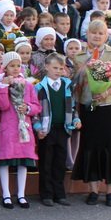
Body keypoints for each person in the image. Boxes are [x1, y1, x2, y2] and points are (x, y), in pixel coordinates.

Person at [72, 20, 111, 206]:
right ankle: (93, 190)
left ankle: (110, 191)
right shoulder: (80, 57)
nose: (97, 36)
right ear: (87, 34)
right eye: (93, 33)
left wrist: (107, 91)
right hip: (90, 106)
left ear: (106, 35)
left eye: (101, 33)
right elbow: (75, 84)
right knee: (91, 145)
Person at [0, 51, 40, 209]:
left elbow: (36, 106)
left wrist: (27, 108)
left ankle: (21, 194)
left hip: (23, 128)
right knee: (5, 161)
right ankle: (6, 194)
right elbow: (3, 105)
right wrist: (4, 86)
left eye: (18, 65)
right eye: (11, 65)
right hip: (8, 127)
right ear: (5, 68)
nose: (15, 68)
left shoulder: (27, 84)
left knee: (23, 163)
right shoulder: (0, 84)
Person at [34, 53, 79, 206]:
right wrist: (38, 127)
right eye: (55, 68)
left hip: (63, 129)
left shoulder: (67, 85)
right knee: (46, 162)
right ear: (46, 67)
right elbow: (35, 112)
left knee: (60, 162)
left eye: (61, 68)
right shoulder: (39, 87)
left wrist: (76, 119)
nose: (58, 71)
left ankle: (59, 193)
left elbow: (72, 107)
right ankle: (46, 194)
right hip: (47, 130)